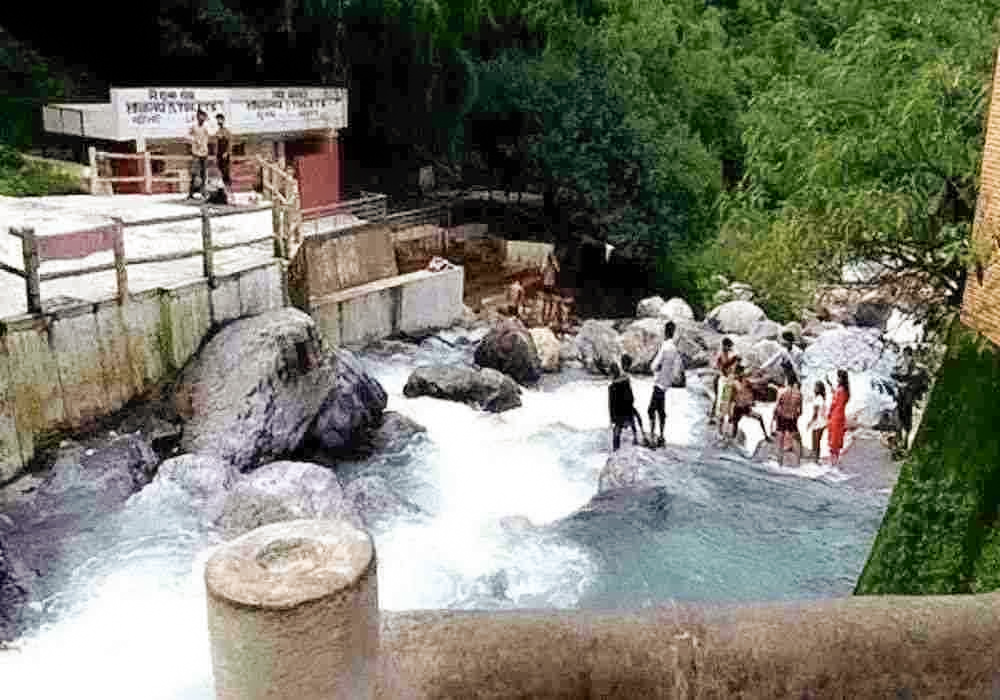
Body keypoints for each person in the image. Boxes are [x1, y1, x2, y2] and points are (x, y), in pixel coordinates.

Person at [649, 321, 682, 447]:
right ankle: (661, 436)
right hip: (666, 384)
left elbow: (655, 364)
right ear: (673, 332)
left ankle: (654, 436)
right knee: (661, 410)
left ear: (665, 332)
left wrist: (653, 368)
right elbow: (675, 368)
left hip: (659, 382)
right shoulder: (674, 348)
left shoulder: (665, 346)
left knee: (652, 410)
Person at [732, 364, 771, 442]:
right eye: (741, 373)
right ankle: (733, 437)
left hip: (745, 408)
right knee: (735, 423)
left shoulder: (746, 381)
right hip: (738, 408)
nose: (742, 374)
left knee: (759, 418)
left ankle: (766, 436)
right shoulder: (735, 382)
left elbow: (755, 384)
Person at [608, 361, 642, 450]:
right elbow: (631, 398)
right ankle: (636, 439)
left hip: (619, 414)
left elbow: (611, 406)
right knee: (635, 423)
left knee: (616, 433)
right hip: (629, 410)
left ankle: (616, 450)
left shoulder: (612, 388)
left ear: (612, 374)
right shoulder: (626, 382)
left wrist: (612, 420)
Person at [771, 372, 803, 464]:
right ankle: (798, 462)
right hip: (792, 418)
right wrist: (794, 417)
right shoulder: (799, 394)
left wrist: (773, 418)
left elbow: (776, 406)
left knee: (780, 440)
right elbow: (800, 411)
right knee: (795, 439)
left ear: (787, 381)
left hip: (781, 417)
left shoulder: (782, 391)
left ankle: (779, 463)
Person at [709, 338, 737, 424]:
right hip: (719, 379)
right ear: (725, 346)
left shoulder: (726, 353)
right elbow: (724, 366)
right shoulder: (721, 354)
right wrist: (733, 360)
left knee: (725, 397)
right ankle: (714, 417)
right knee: (720, 398)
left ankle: (721, 416)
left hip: (722, 378)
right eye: (729, 346)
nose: (730, 348)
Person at [827, 369, 850, 465]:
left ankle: (833, 462)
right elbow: (837, 396)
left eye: (838, 377)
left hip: (835, 415)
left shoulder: (840, 390)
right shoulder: (846, 390)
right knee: (837, 438)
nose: (837, 379)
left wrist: (829, 412)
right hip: (841, 416)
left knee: (833, 438)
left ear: (841, 378)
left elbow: (834, 403)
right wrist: (830, 385)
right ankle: (835, 461)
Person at [715, 355, 740, 439]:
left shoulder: (732, 374)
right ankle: (719, 432)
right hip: (724, 397)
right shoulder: (724, 376)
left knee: (731, 416)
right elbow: (724, 385)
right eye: (735, 364)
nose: (735, 367)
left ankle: (726, 431)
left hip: (730, 398)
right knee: (722, 415)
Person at [187, 109, 210, 200]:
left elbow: (210, 135)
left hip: (204, 152)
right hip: (196, 152)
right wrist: (194, 140)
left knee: (204, 174)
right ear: (197, 117)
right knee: (194, 173)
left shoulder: (206, 127)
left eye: (204, 116)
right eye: (201, 116)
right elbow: (187, 135)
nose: (202, 118)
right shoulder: (193, 126)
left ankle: (203, 191)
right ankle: (191, 193)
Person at [806, 381, 828, 462]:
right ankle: (816, 459)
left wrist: (810, 422)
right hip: (822, 422)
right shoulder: (822, 398)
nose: (814, 388)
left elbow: (815, 414)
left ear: (818, 389)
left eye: (815, 387)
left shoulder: (818, 399)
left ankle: (815, 460)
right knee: (817, 443)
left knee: (815, 443)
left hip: (818, 422)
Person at [540, 252, 560, 325]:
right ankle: (543, 317)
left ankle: (548, 317)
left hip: (551, 284)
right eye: (550, 258)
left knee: (551, 301)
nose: (550, 260)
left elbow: (558, 270)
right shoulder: (545, 265)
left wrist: (554, 262)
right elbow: (541, 271)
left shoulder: (554, 265)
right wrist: (545, 265)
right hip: (546, 284)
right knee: (545, 301)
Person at [215, 113, 232, 192]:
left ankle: (228, 188)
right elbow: (217, 143)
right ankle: (224, 189)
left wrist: (227, 152)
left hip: (225, 154)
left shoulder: (226, 131)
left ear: (223, 120)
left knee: (226, 171)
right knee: (220, 170)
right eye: (217, 119)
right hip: (219, 154)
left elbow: (229, 143)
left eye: (220, 119)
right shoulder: (218, 131)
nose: (219, 121)